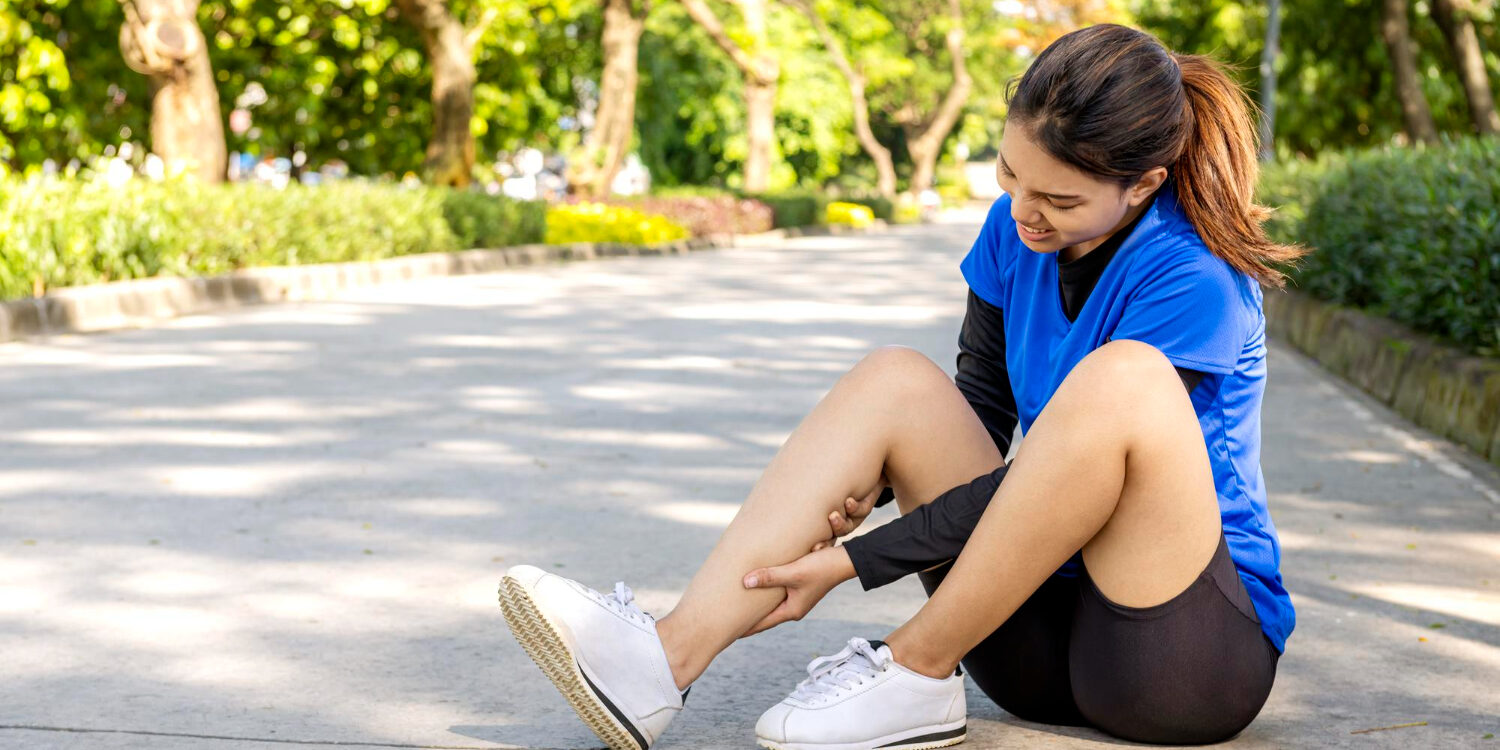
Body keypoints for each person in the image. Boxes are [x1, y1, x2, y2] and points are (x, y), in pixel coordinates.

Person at [497, 23, 1307, 750]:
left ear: (1144, 185)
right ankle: (663, 660)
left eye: (1059, 200)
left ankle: (912, 668)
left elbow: (1042, 477)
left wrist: (859, 561)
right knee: (897, 380)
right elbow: (978, 422)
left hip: (1176, 659)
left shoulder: (1195, 273)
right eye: (1010, 176)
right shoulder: (1012, 231)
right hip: (1023, 641)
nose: (1024, 213)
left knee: (1122, 379)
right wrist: (874, 484)